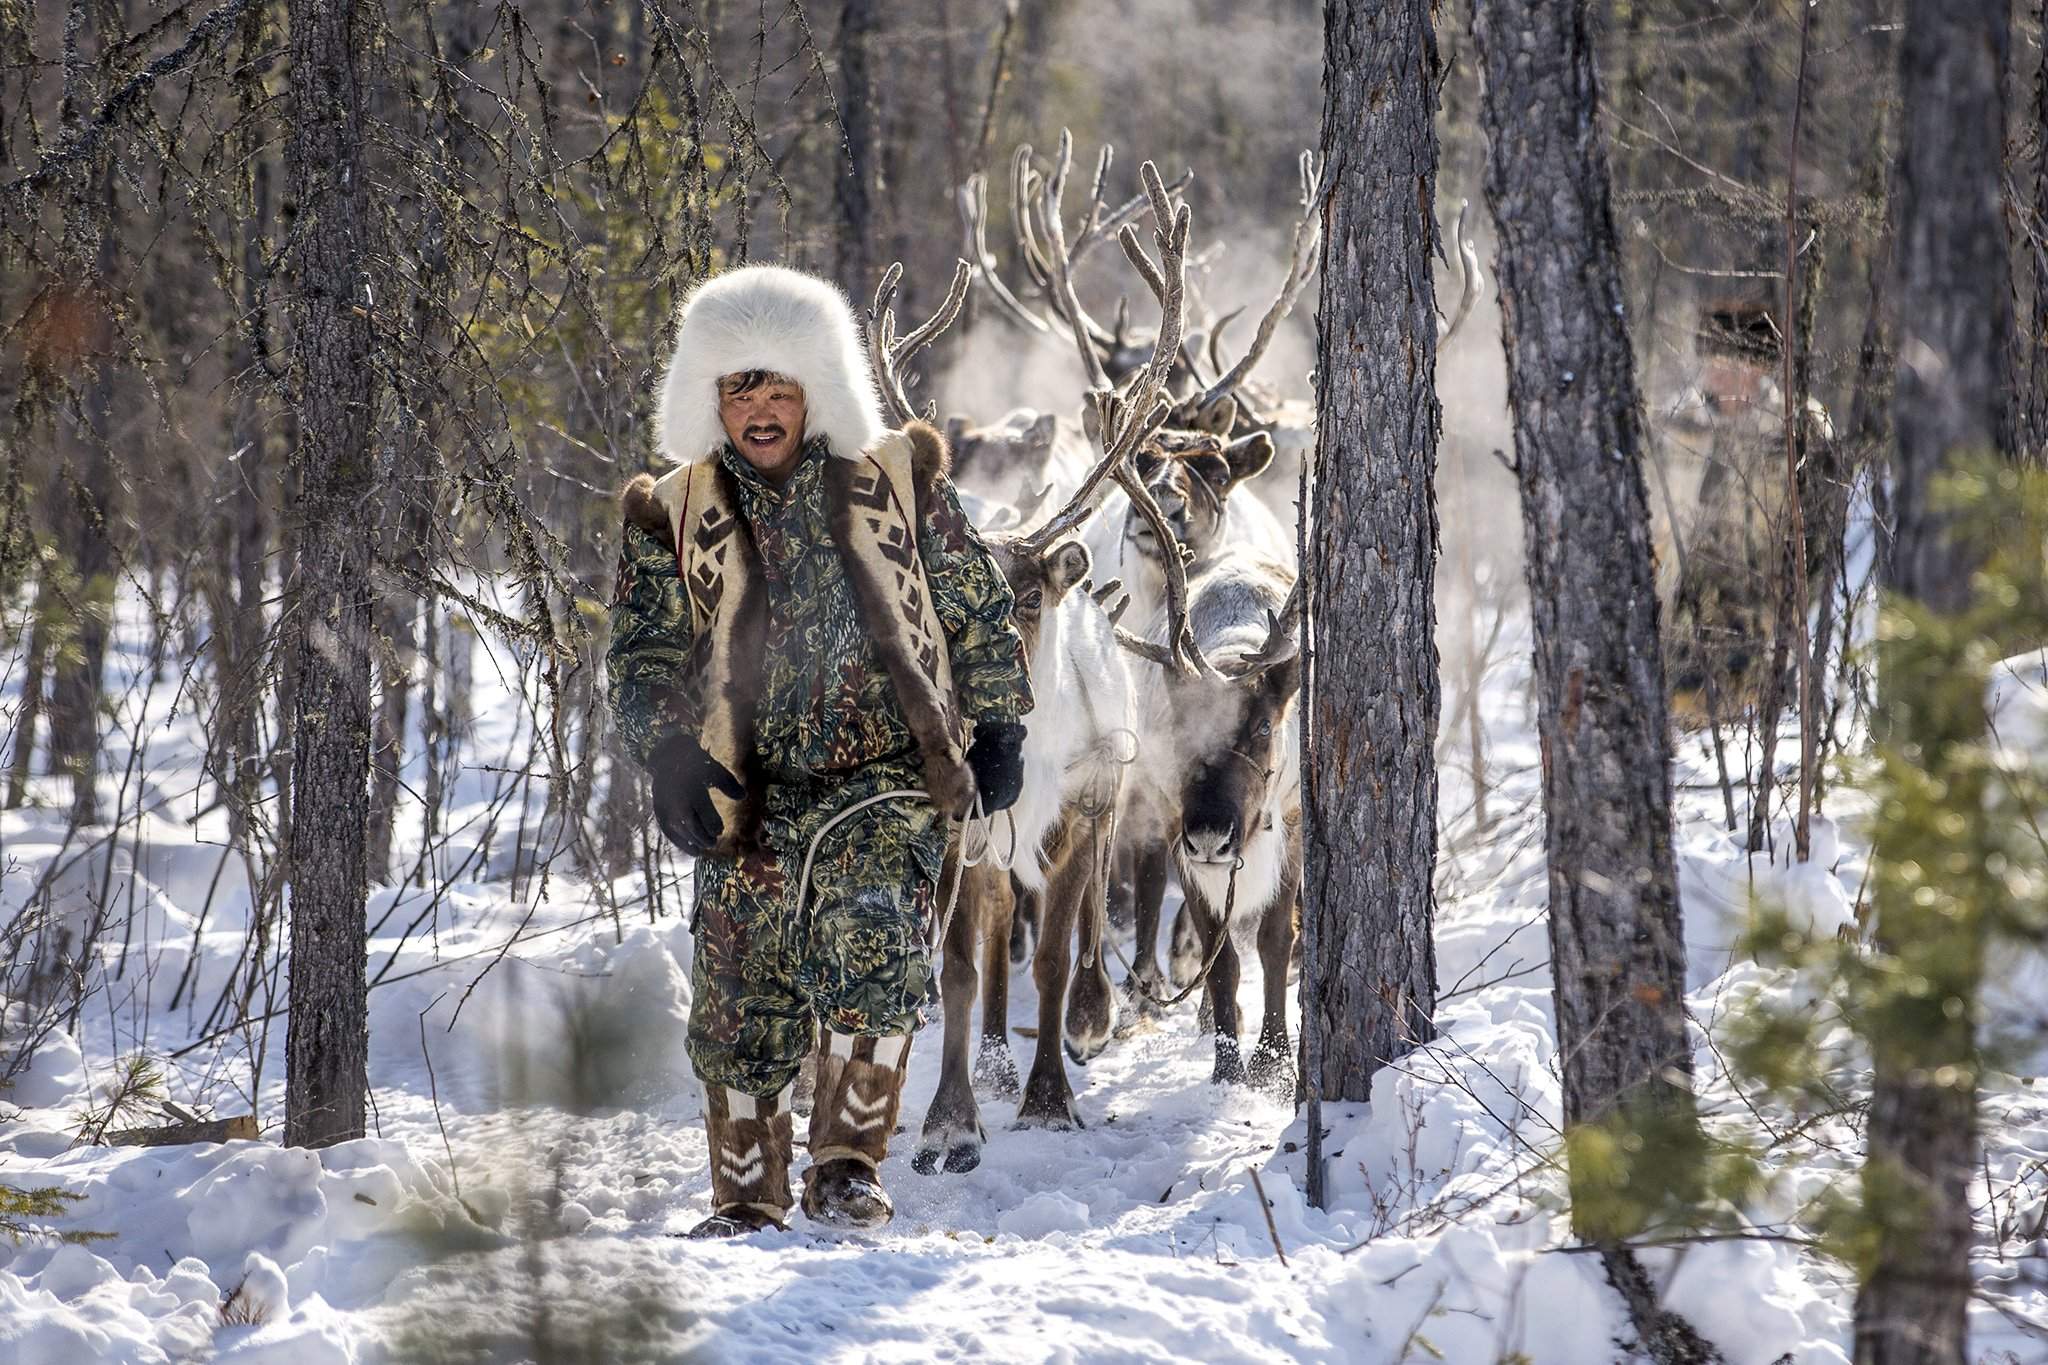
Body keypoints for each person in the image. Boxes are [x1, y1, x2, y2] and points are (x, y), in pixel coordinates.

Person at [606, 264, 1032, 1236]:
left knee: (872, 935)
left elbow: (974, 608)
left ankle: (845, 1165)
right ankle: (747, 1200)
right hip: (745, 786)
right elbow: (640, 656)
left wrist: (999, 722)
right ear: (709, 400)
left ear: (816, 390)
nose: (758, 405)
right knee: (736, 990)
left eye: (777, 384)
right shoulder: (673, 514)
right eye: (737, 386)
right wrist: (667, 752)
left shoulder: (892, 481)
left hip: (881, 775)